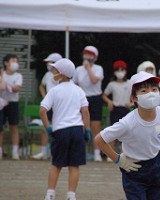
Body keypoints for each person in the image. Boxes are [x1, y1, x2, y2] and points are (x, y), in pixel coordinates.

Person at [95, 71, 160, 200]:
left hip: (158, 165)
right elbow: (99, 139)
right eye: (144, 91)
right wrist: (118, 159)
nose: (150, 94)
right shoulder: (127, 123)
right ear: (134, 99)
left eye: (154, 89)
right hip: (134, 169)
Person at [40, 58, 91, 200]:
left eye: (54, 71)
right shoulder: (79, 90)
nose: (52, 73)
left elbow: (42, 110)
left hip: (60, 130)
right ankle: (71, 195)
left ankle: (50, 193)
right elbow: (85, 111)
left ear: (61, 74)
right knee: (74, 165)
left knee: (56, 164)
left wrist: (48, 128)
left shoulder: (54, 91)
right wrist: (87, 130)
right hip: (76, 130)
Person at [73, 46, 104, 162]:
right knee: (81, 126)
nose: (87, 56)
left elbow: (95, 80)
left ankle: (97, 153)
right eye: (86, 54)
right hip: (82, 98)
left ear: (95, 57)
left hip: (95, 98)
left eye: (90, 54)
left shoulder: (98, 68)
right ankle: (81, 152)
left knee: (95, 126)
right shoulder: (78, 69)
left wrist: (88, 68)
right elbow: (74, 84)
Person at [32, 52, 62, 160]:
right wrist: (45, 96)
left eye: (51, 63)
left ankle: (57, 152)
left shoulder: (63, 75)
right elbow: (41, 86)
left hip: (59, 105)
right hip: (49, 105)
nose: (48, 65)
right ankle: (44, 152)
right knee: (45, 128)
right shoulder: (47, 75)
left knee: (59, 129)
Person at [102, 60, 132, 159]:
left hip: (125, 109)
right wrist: (109, 102)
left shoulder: (129, 83)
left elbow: (136, 95)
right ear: (114, 72)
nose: (120, 71)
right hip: (115, 109)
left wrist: (131, 103)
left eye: (122, 69)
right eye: (118, 69)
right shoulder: (112, 84)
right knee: (113, 132)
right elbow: (104, 95)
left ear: (125, 71)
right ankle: (111, 155)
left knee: (127, 132)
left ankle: (125, 154)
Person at [0, 54, 23, 160]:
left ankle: (15, 152)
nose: (15, 63)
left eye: (16, 61)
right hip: (1, 103)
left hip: (13, 103)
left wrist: (5, 84)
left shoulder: (18, 76)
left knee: (14, 127)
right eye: (13, 60)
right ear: (6, 63)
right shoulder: (2, 74)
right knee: (1, 128)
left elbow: (16, 89)